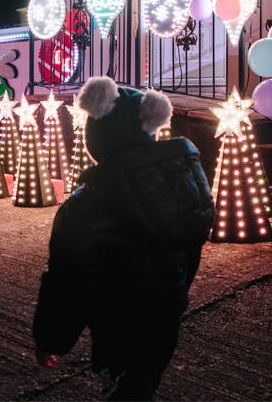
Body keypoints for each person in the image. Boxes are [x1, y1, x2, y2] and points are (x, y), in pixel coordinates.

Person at [32, 76, 214, 400]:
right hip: (165, 320)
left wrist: (52, 339)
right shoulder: (185, 185)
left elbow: (67, 281)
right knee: (142, 383)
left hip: (117, 325)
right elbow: (189, 254)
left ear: (97, 133)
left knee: (124, 384)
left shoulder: (89, 203)